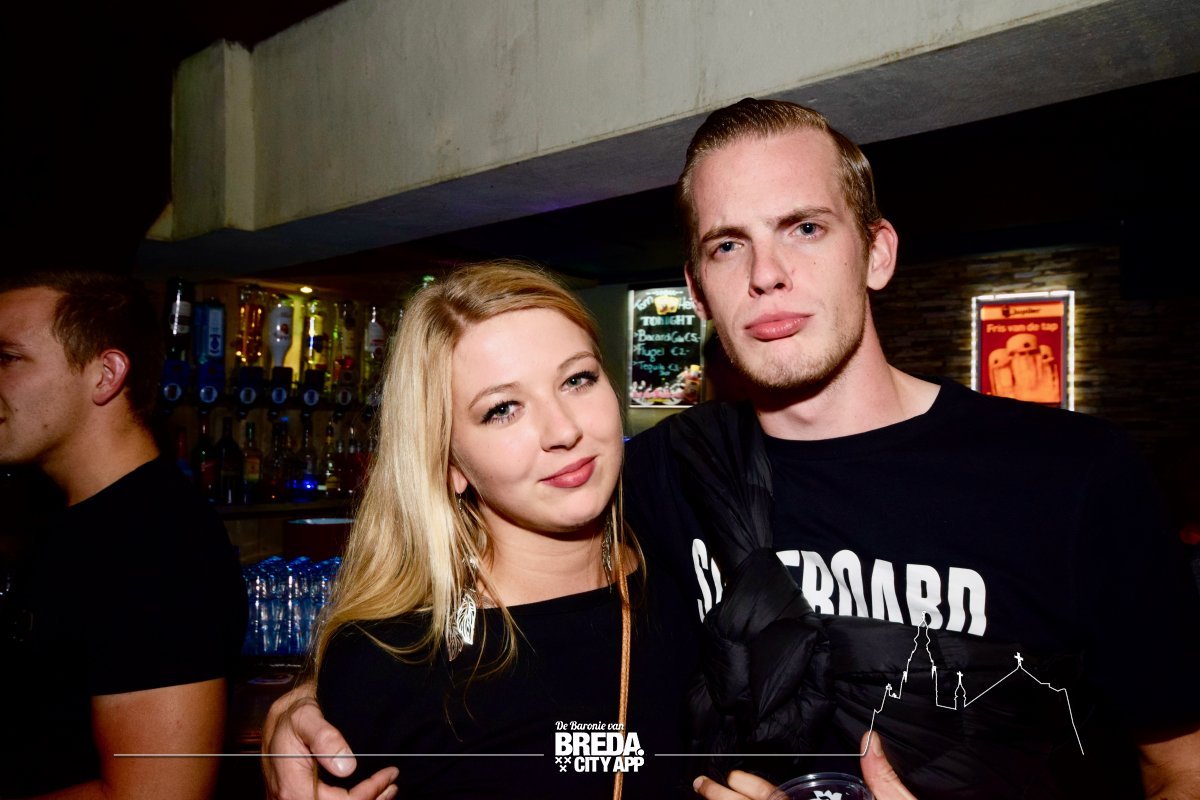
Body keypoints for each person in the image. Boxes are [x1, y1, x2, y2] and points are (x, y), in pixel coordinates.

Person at [262, 100, 1200, 799]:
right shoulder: (661, 475)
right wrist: (317, 701)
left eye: (805, 228)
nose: (767, 275)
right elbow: (508, 624)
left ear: (877, 252)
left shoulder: (1073, 477)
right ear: (696, 289)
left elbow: (1181, 771)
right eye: (727, 246)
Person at [307, 261, 697, 799]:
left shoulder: (686, 577)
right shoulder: (389, 662)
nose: (563, 430)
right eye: (503, 409)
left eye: (577, 379)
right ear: (449, 463)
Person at [0, 271, 247, 799]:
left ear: (106, 375)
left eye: (8, 358)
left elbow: (156, 794)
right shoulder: (68, 523)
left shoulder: (156, 544)